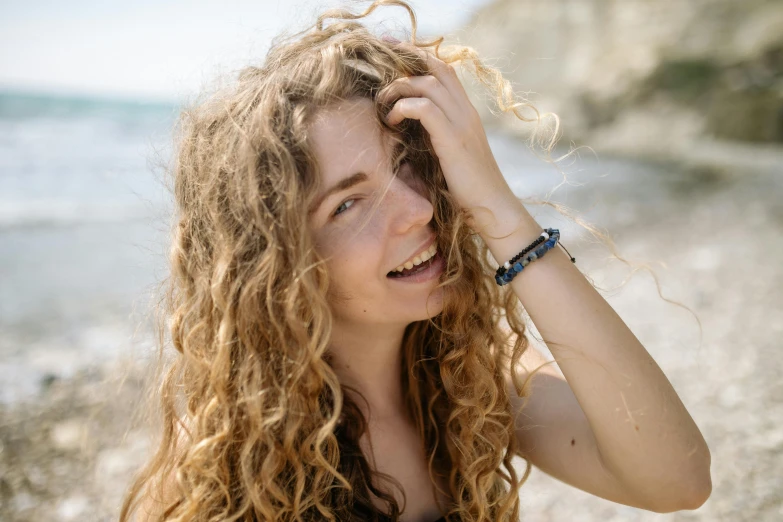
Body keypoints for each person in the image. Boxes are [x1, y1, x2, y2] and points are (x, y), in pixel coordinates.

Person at [120, 1, 711, 521]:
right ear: (272, 266)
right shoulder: (220, 464)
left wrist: (498, 209)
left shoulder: (473, 374)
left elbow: (676, 480)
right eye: (348, 203)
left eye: (408, 163)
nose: (417, 209)